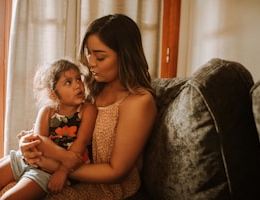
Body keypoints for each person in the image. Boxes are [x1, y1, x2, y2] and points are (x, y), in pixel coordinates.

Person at [19, 14, 157, 199]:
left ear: (124, 56)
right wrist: (29, 144)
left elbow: (116, 172)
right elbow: (61, 128)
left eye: (100, 57)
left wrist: (56, 167)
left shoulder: (139, 102)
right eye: (89, 53)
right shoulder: (92, 89)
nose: (90, 62)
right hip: (69, 172)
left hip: (108, 189)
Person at [0, 59, 97, 200]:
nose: (78, 85)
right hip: (29, 159)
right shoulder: (47, 111)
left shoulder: (87, 110)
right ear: (53, 94)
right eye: (68, 82)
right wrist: (64, 156)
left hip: (48, 170)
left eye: (78, 79)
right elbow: (39, 141)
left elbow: (81, 142)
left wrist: (63, 171)